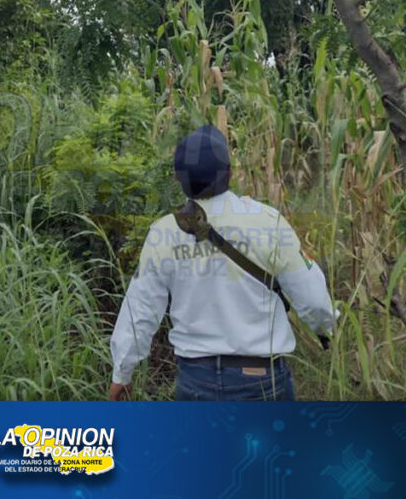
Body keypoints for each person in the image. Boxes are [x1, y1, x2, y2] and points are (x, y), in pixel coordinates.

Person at [108, 125, 337, 401]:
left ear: (179, 178)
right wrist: (325, 330)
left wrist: (122, 373)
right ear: (229, 172)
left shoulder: (163, 233)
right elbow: (313, 300)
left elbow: (139, 312)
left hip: (196, 381)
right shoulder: (268, 222)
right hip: (263, 381)